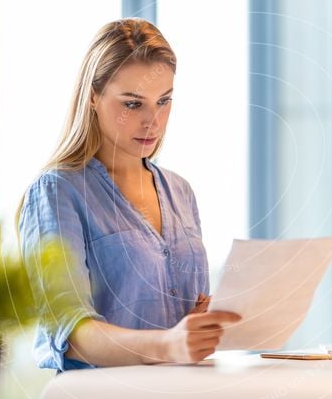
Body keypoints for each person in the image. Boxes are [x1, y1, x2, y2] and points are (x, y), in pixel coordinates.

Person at [17, 18, 241, 371]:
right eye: (133, 104)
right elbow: (71, 333)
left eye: (164, 101)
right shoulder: (58, 192)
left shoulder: (181, 192)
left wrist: (199, 323)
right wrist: (168, 344)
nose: (153, 121)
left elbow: (178, 326)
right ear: (93, 96)